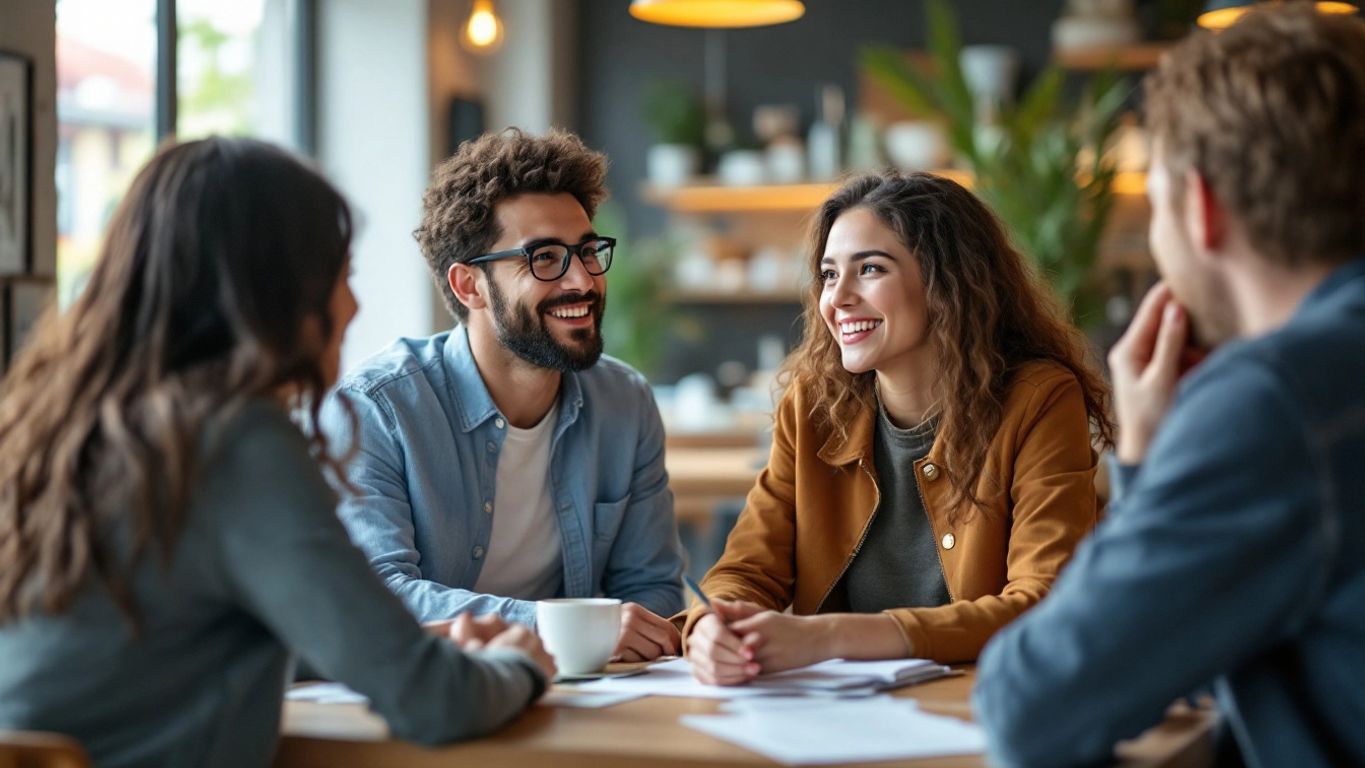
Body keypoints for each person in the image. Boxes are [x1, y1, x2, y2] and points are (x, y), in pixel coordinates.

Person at [0, 138, 555, 768]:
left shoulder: (65, 423)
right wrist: (522, 665)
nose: (353, 306)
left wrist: (412, 643)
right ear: (273, 291)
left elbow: (173, 649)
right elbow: (429, 701)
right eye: (340, 276)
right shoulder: (235, 441)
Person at [973, 6, 1365, 766]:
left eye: (1155, 205)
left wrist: (1144, 460)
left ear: (1202, 207)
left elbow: (1030, 704)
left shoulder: (1277, 401)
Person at [683, 170, 1114, 685]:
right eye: (827, 274)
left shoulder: (1038, 399)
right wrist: (712, 625)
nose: (836, 299)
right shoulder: (814, 406)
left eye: (869, 269)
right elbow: (747, 569)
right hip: (837, 714)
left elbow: (1043, 602)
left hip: (986, 706)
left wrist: (831, 637)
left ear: (945, 283)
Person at [321, 128, 684, 662]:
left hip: (589, 697)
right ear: (469, 286)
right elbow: (375, 593)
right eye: (544, 258)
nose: (582, 280)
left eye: (587, 252)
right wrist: (555, 627)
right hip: (441, 698)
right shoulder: (377, 409)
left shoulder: (624, 403)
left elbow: (651, 590)